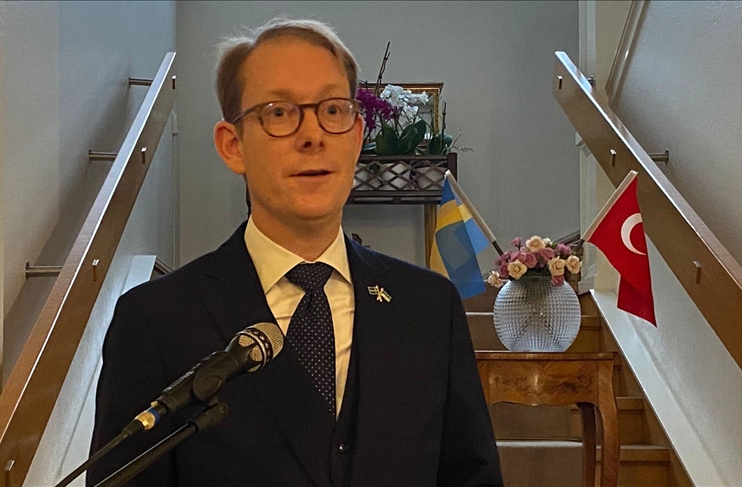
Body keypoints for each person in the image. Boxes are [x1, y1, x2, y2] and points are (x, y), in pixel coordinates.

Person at [88, 18, 503, 487]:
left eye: (333, 109)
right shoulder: (156, 319)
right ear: (232, 145)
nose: (312, 136)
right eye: (280, 112)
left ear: (357, 136)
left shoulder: (428, 307)